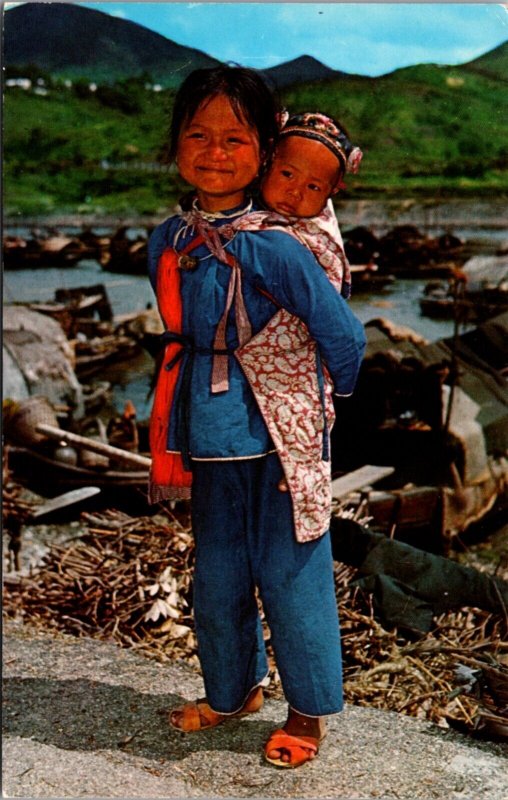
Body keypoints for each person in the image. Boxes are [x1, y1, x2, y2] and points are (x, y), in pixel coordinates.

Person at [148, 64, 366, 768]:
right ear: (174, 144)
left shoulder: (276, 245)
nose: (215, 151)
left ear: (265, 150)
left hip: (279, 438)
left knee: (291, 573)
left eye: (234, 138)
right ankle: (232, 689)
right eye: (197, 135)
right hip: (211, 438)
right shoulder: (167, 239)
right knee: (215, 574)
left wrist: (318, 414)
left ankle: (307, 712)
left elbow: (346, 339)